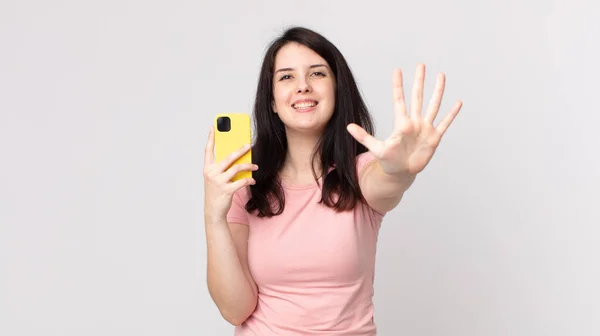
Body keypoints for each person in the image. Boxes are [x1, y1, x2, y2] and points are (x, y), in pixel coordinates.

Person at [203, 26, 462, 335]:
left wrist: (401, 170)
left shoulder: (360, 172)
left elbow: (385, 182)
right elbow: (235, 309)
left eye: (317, 74)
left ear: (338, 89)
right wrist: (213, 216)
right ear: (272, 100)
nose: (302, 87)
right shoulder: (244, 186)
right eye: (286, 77)